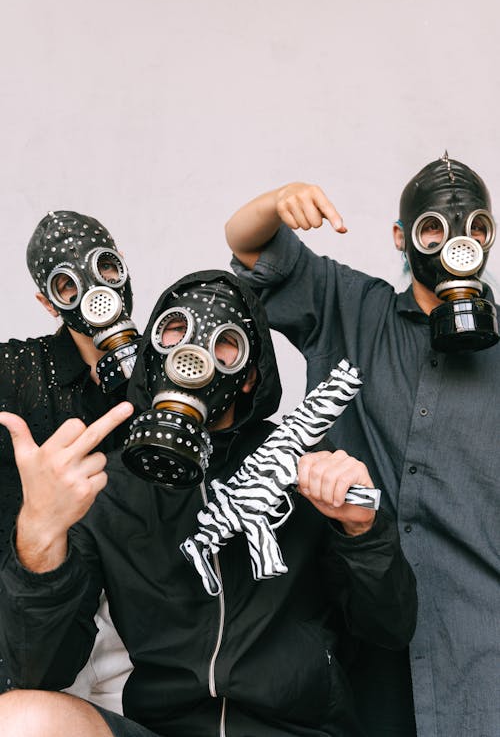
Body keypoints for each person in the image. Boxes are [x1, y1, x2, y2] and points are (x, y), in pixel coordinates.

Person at [0, 270, 416, 737]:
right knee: (20, 718)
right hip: (161, 728)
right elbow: (39, 672)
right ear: (150, 352)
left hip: (295, 729)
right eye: (175, 330)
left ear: (248, 377)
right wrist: (39, 535)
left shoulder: (305, 472)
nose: (191, 352)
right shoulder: (105, 489)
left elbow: (389, 630)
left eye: (225, 341)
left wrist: (362, 532)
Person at [225, 154, 500, 737]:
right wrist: (278, 201)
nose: (459, 245)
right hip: (359, 645)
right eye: (434, 229)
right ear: (402, 239)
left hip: (481, 653)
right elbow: (249, 247)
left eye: (477, 229)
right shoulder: (349, 309)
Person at [0, 210, 137, 709]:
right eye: (66, 283)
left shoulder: (175, 363)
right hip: (47, 621)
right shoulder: (17, 374)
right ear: (46, 302)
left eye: (103, 268)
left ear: (122, 268)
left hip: (147, 629)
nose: (94, 290)